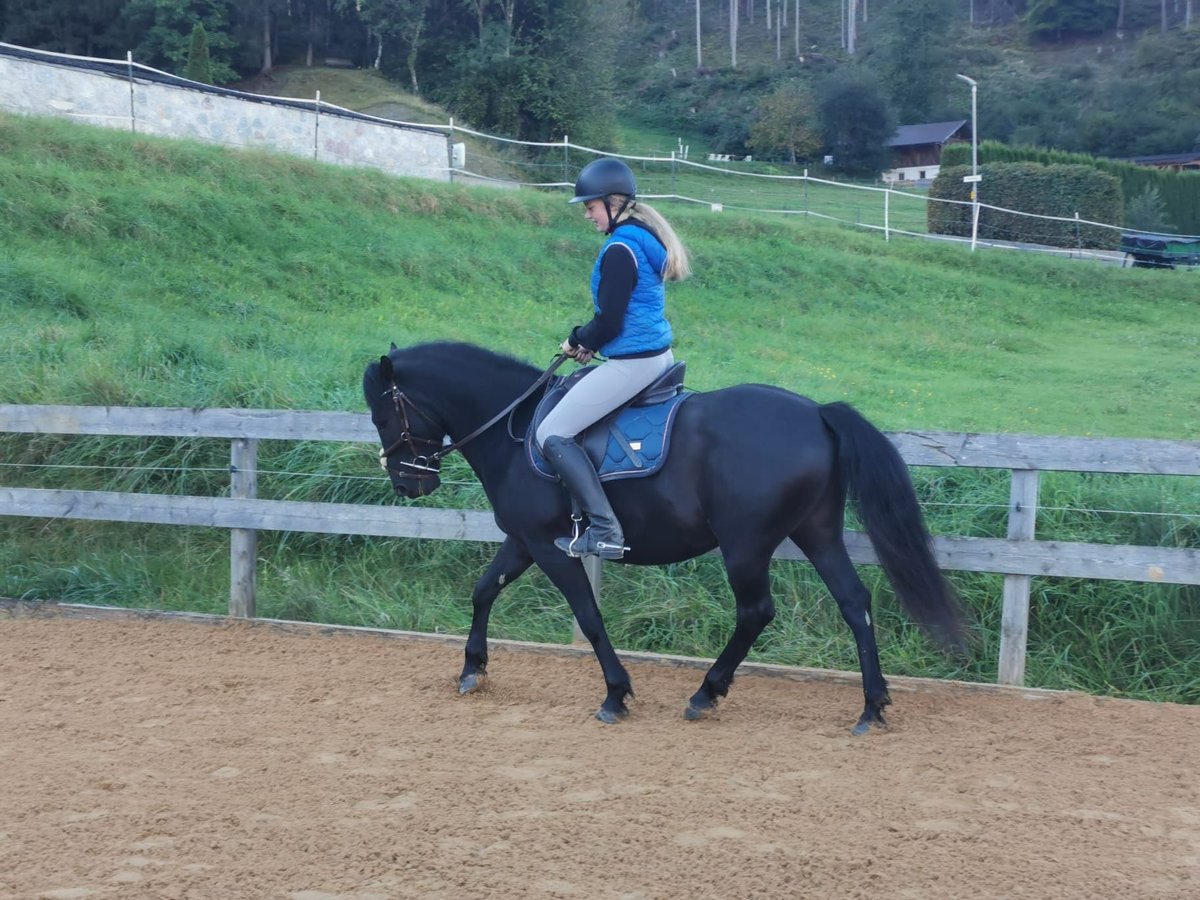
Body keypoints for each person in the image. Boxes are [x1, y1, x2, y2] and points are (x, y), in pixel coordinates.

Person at [536, 157, 691, 560]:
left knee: (551, 433)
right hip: (651, 354)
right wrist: (593, 342)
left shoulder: (621, 248)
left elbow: (609, 320)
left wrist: (577, 340)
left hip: (635, 362)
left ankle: (605, 530)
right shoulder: (641, 240)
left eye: (590, 206)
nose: (587, 215)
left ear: (613, 203)